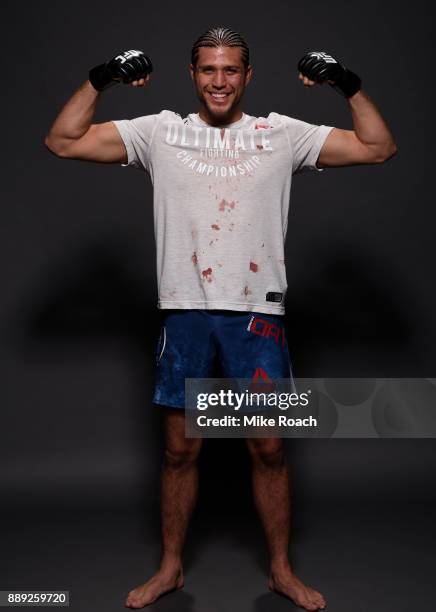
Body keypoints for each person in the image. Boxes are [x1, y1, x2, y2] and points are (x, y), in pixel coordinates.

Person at [45, 27, 397, 611]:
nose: (219, 81)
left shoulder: (280, 134)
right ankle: (171, 567)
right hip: (185, 311)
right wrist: (103, 77)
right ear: (193, 74)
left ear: (247, 76)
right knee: (181, 450)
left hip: (256, 316)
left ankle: (281, 570)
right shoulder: (160, 132)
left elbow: (379, 147)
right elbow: (62, 140)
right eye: (209, 69)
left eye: (230, 70)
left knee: (269, 449)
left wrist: (346, 84)